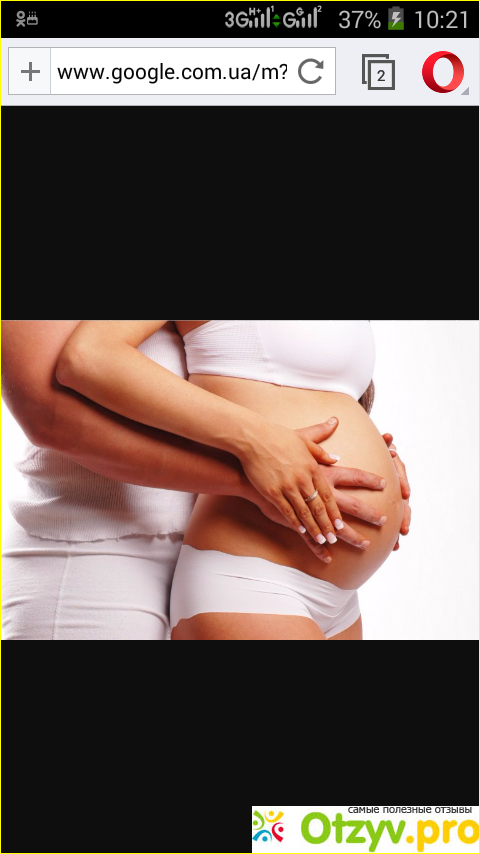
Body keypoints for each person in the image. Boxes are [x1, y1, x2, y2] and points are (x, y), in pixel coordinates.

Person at [53, 320, 411, 641]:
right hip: (252, 579)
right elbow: (90, 356)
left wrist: (380, 456)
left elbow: (316, 392)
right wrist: (258, 440)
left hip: (341, 598)